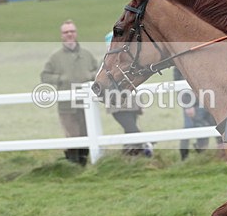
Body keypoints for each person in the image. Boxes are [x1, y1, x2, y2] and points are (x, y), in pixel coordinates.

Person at [40, 20, 98, 165]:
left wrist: (90, 76)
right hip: (66, 106)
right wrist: (60, 79)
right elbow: (44, 76)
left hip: (86, 104)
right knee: (73, 136)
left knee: (86, 135)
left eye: (72, 31)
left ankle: (83, 165)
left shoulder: (87, 54)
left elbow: (98, 72)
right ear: (62, 36)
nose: (70, 34)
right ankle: (72, 165)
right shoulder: (55, 57)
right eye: (66, 32)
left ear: (76, 33)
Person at [104, 31, 153, 157]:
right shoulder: (108, 64)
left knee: (129, 131)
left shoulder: (128, 60)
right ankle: (146, 143)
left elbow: (135, 81)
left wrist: (138, 103)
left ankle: (130, 156)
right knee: (132, 129)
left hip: (131, 104)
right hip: (118, 106)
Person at [174, 67, 218, 160]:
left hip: (207, 98)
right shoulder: (179, 62)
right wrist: (187, 104)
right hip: (191, 101)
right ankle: (184, 156)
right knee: (188, 127)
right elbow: (179, 83)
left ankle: (202, 153)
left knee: (208, 125)